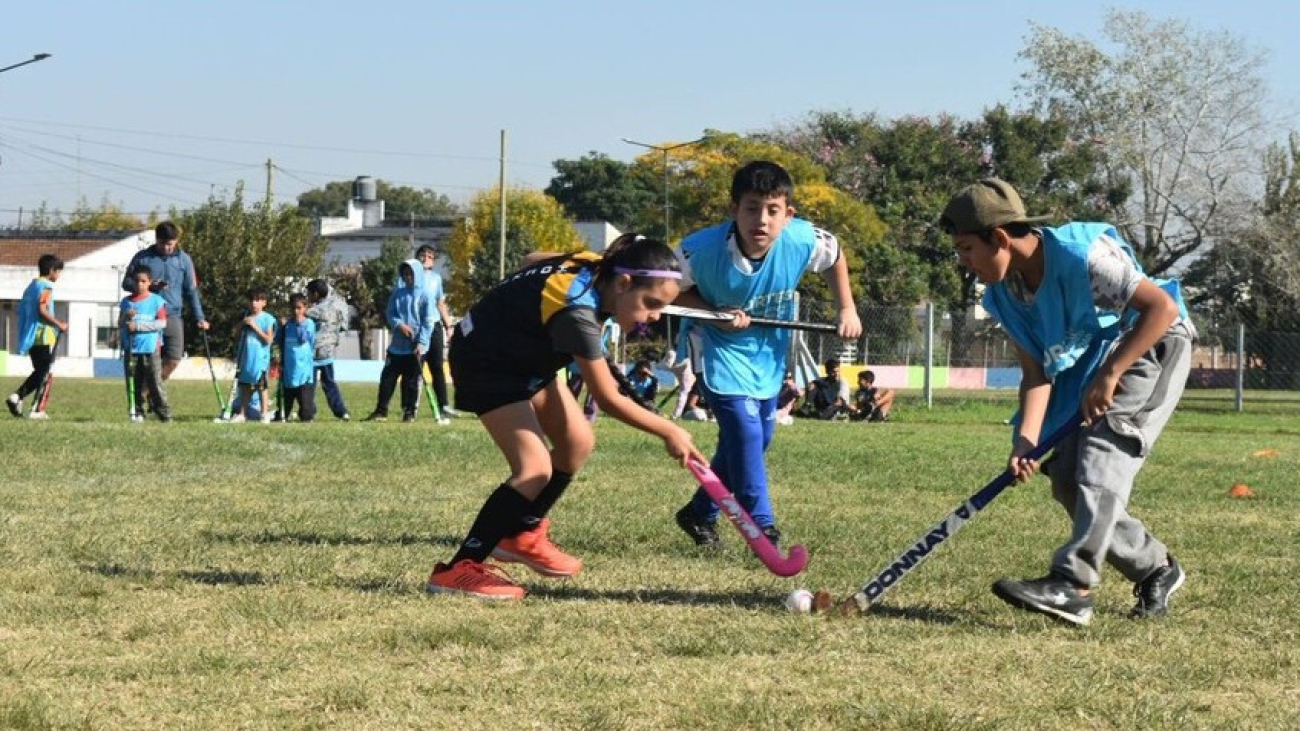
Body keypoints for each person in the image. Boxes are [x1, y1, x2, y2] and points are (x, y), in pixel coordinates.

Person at [941, 177, 1193, 625]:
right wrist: (1026, 440)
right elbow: (1036, 374)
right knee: (1068, 481)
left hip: (1150, 346)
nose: (964, 263)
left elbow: (1161, 310)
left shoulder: (1084, 255)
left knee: (1102, 453)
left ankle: (1072, 584)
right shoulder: (1003, 294)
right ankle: (1155, 567)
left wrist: (1112, 374)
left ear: (998, 238)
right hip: (1094, 368)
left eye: (965, 249)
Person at [425, 233, 703, 600]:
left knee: (577, 442)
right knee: (534, 470)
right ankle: (459, 567)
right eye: (650, 304)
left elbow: (530, 257)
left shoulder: (594, 264)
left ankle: (522, 533)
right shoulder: (577, 314)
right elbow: (606, 398)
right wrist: (668, 430)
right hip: (485, 362)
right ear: (623, 282)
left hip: (524, 358)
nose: (652, 318)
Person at [671, 160, 862, 549]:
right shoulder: (697, 250)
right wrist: (715, 315)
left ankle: (700, 512)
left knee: (758, 437)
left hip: (768, 350)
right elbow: (668, 288)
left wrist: (846, 308)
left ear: (788, 214)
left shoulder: (803, 239)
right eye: (751, 207)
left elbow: (836, 257)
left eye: (773, 210)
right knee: (744, 430)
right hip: (716, 347)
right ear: (733, 210)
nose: (762, 220)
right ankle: (762, 525)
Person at [121, 220, 209, 382]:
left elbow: (191, 290)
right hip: (147, 316)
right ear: (156, 239)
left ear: (176, 241)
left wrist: (200, 317)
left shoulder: (184, 260)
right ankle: (144, 395)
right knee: (146, 362)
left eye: (170, 244)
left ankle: (150, 391)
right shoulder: (142, 258)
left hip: (173, 316)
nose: (166, 248)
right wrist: (150, 286)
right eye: (162, 244)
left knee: (174, 359)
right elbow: (126, 283)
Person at [365, 260, 432, 423]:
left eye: (411, 274)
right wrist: (399, 325)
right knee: (387, 379)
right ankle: (381, 411)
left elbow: (428, 321)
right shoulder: (397, 293)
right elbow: (390, 314)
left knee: (411, 383)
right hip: (397, 347)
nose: (408, 277)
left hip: (415, 348)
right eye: (405, 274)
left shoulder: (425, 295)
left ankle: (409, 412)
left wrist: (421, 342)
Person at [8, 254, 68, 419]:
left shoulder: (31, 286)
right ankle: (36, 408)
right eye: (59, 272)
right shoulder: (46, 287)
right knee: (46, 372)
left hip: (30, 334)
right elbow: (42, 310)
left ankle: (18, 398)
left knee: (40, 370)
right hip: (43, 334)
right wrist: (58, 323)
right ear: (51, 271)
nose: (59, 276)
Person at [119, 269, 171, 422]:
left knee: (154, 380)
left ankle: (164, 412)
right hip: (131, 347)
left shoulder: (156, 301)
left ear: (149, 282)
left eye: (143, 281)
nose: (140, 285)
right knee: (134, 380)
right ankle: (137, 411)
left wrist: (139, 326)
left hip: (150, 346)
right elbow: (120, 324)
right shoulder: (126, 302)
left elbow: (162, 323)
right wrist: (125, 317)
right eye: (136, 281)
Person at [414, 244, 460, 418]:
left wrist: (449, 325)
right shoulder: (409, 277)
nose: (426, 258)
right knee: (416, 367)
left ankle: (444, 405)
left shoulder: (436, 279)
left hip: (434, 326)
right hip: (417, 327)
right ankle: (412, 407)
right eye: (422, 255)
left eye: (430, 256)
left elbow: (440, 303)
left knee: (437, 367)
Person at [306, 279, 352, 420]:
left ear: (315, 294)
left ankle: (308, 411)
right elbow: (344, 326)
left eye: (309, 293)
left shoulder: (315, 310)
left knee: (309, 385)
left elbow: (302, 316)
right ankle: (341, 411)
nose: (307, 296)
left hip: (313, 352)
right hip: (329, 352)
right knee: (330, 384)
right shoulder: (338, 306)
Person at [230, 286, 277, 424]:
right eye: (251, 300)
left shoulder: (267, 318)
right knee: (245, 386)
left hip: (260, 360)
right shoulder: (246, 317)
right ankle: (242, 414)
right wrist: (241, 324)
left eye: (257, 300)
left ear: (264, 302)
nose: (254, 303)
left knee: (261, 386)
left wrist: (255, 327)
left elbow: (268, 340)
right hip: (246, 358)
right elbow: (236, 335)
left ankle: (264, 413)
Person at [278, 293, 318, 422]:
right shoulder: (287, 325)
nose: (296, 311)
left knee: (306, 414)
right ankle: (283, 413)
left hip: (304, 372)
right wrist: (281, 326)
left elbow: (303, 339)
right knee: (284, 408)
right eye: (293, 308)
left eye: (299, 308)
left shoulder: (309, 324)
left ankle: (308, 411)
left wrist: (299, 324)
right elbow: (279, 340)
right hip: (289, 370)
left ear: (305, 308)